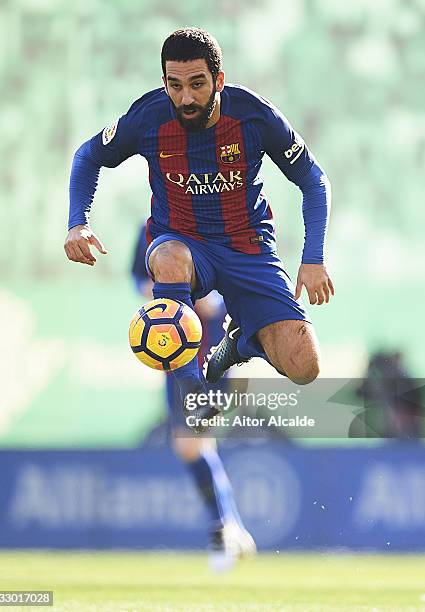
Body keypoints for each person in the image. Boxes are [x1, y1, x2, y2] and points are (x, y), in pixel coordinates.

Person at [65, 27, 334, 434]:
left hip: (249, 249)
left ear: (218, 80)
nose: (186, 98)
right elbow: (88, 155)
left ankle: (241, 341)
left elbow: (313, 179)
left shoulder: (253, 115)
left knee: (304, 367)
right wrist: (77, 223)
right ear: (164, 83)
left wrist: (313, 258)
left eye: (197, 84)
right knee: (167, 257)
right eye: (175, 86)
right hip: (183, 243)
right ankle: (193, 389)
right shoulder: (147, 117)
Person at [131, 224, 256, 570]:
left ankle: (225, 530)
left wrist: (212, 302)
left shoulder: (224, 221)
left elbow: (240, 284)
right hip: (174, 358)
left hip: (215, 355)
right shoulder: (150, 229)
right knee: (193, 447)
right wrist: (166, 299)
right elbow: (137, 279)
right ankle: (232, 527)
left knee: (192, 444)